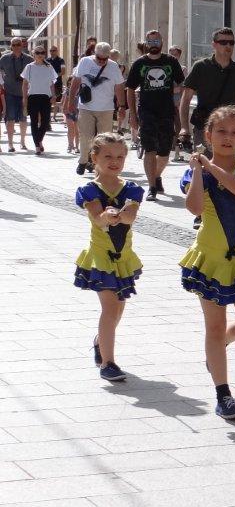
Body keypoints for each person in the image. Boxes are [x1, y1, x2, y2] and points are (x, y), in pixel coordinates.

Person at [180, 105, 235, 420]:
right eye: (221, 131)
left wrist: (211, 167)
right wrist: (198, 172)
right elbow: (193, 208)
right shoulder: (198, 171)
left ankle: (221, 347)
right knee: (214, 327)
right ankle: (223, 394)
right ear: (208, 135)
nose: (228, 138)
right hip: (210, 258)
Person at [73, 132, 144, 382]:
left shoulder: (132, 189)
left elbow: (131, 216)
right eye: (108, 156)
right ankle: (108, 363)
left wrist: (120, 215)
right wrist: (107, 216)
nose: (115, 161)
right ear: (94, 157)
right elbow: (96, 216)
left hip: (123, 258)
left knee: (118, 311)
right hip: (101, 258)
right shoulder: (89, 189)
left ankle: (99, 342)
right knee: (110, 308)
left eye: (120, 157)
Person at [126, 30, 186, 201]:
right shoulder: (139, 63)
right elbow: (130, 89)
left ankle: (156, 175)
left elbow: (182, 84)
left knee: (165, 153)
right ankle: (152, 186)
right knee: (150, 150)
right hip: (146, 111)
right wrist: (132, 116)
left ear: (162, 42)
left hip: (166, 111)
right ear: (146, 43)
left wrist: (179, 101)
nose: (153, 44)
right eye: (150, 41)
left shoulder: (171, 61)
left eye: (156, 41)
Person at [178, 28, 235, 150]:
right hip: (205, 127)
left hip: (231, 129)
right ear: (214, 45)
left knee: (231, 167)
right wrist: (184, 127)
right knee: (204, 166)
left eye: (231, 43)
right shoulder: (201, 67)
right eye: (223, 42)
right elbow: (185, 100)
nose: (228, 46)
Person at [66, 42, 125, 175]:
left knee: (104, 139)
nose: (102, 62)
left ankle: (97, 165)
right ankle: (82, 161)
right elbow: (76, 82)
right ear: (95, 54)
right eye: (99, 59)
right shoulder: (85, 62)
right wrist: (71, 102)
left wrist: (122, 106)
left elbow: (119, 87)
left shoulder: (113, 66)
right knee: (85, 136)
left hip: (106, 108)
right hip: (86, 106)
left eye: (105, 59)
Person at [21, 45, 58, 155]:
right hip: (33, 97)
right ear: (33, 54)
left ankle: (39, 140)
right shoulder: (29, 67)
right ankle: (37, 145)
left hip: (45, 97)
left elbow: (52, 84)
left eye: (42, 52)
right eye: (37, 52)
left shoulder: (49, 67)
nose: (40, 55)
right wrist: (24, 98)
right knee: (34, 121)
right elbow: (25, 84)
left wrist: (54, 95)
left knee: (46, 121)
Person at [1, 37, 32, 152]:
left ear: (22, 45)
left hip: (24, 93)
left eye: (18, 44)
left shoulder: (29, 59)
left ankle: (22, 142)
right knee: (10, 119)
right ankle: (10, 144)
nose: (16, 47)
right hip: (9, 92)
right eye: (14, 45)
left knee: (23, 118)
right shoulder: (4, 58)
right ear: (11, 46)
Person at [169, 45, 186, 159]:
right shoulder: (164, 67)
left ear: (179, 55)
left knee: (178, 126)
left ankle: (176, 149)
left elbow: (183, 86)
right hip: (165, 102)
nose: (172, 56)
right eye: (170, 53)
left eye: (175, 54)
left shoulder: (182, 68)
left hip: (177, 101)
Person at [48, 45, 66, 122]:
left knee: (55, 99)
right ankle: (48, 116)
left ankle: (54, 116)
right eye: (51, 51)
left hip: (57, 83)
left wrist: (54, 76)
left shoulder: (61, 60)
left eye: (54, 50)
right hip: (48, 83)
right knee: (48, 99)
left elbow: (63, 71)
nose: (52, 52)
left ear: (57, 51)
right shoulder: (47, 60)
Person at [64, 76, 79, 154]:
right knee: (70, 129)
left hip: (78, 111)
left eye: (72, 81)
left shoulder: (81, 90)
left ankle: (77, 146)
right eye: (70, 82)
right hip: (69, 111)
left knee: (77, 130)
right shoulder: (68, 91)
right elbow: (65, 101)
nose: (71, 83)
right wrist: (64, 109)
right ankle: (70, 145)